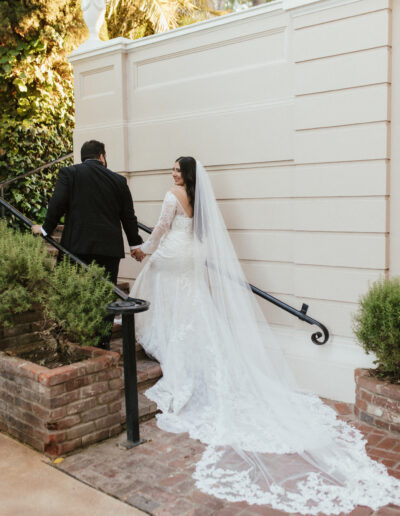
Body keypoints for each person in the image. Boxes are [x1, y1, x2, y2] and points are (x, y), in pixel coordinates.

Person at [130, 156, 400, 514]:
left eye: (178, 169)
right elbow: (200, 232)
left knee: (155, 282)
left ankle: (171, 350)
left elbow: (161, 229)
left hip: (174, 255)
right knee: (193, 306)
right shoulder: (198, 197)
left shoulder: (171, 195)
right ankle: (192, 351)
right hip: (192, 256)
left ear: (185, 175)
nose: (173, 173)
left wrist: (143, 250)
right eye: (173, 169)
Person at [32, 140, 142, 349]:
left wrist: (45, 229)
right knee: (105, 293)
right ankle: (102, 342)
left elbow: (57, 204)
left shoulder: (70, 174)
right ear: (101, 156)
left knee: (70, 290)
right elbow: (128, 217)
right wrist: (135, 244)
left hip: (77, 247)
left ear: (83, 157)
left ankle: (73, 338)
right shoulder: (118, 180)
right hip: (109, 249)